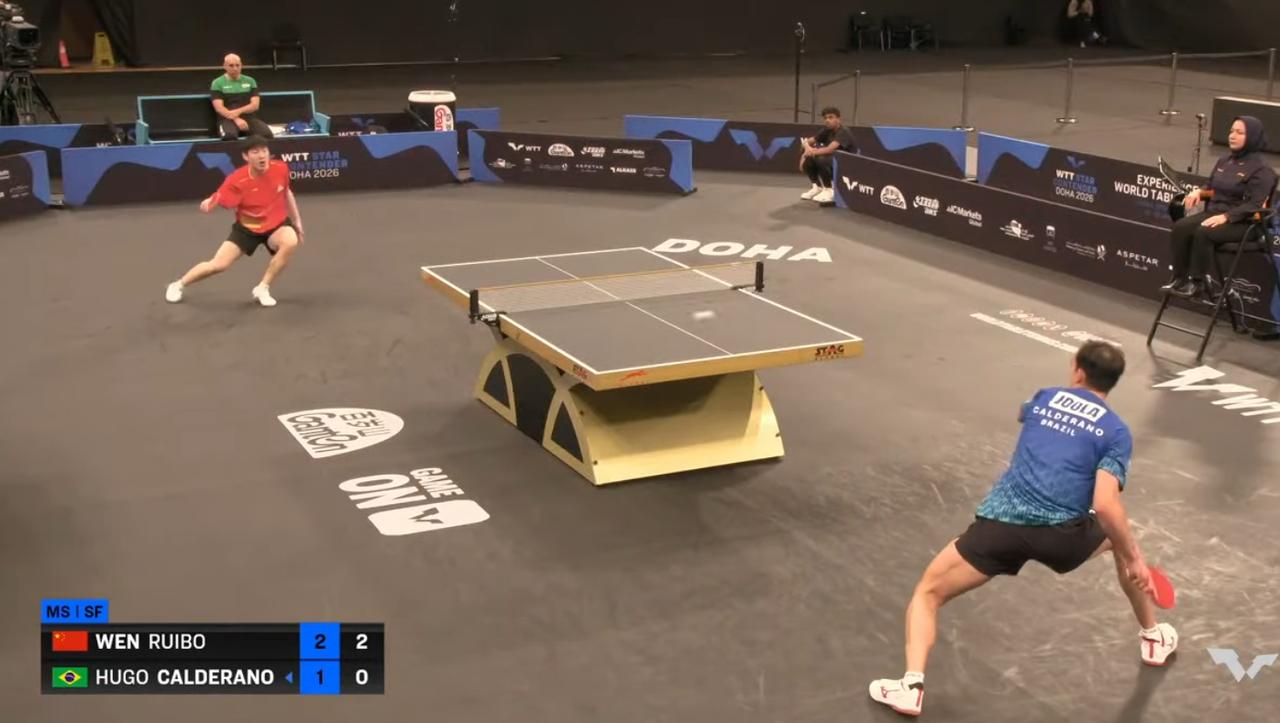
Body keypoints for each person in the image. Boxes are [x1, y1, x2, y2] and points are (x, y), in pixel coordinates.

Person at [869, 341, 1177, 717]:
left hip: (1002, 528)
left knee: (928, 594)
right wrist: (1135, 557)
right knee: (1119, 540)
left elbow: (1025, 414)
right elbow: (1106, 505)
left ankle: (911, 687)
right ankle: (1153, 636)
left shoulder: (1043, 398)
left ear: (1078, 371)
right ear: (1113, 382)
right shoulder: (1116, 432)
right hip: (1064, 538)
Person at [165, 136, 303, 307]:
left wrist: (297, 220)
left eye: (264, 151)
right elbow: (220, 196)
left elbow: (287, 192)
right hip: (248, 228)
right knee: (218, 265)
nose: (262, 156)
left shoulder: (280, 168)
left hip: (276, 224)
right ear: (246, 156)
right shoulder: (237, 179)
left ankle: (262, 288)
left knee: (290, 241)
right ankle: (178, 284)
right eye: (255, 152)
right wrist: (211, 202)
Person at [1163, 116, 1277, 300]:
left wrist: (1226, 217)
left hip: (1244, 223)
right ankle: (1179, 279)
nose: (1233, 136)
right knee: (1181, 227)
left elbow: (1255, 204)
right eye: (1232, 131)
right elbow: (1212, 189)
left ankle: (1197, 283)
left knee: (1204, 232)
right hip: (1215, 213)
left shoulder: (1262, 170)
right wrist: (1199, 192)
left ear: (1252, 137)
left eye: (1240, 133)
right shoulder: (1224, 161)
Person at [799, 106, 857, 204]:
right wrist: (805, 152)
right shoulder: (826, 130)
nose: (827, 120)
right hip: (834, 161)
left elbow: (830, 149)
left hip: (849, 164)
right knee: (810, 159)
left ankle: (829, 190)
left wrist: (810, 152)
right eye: (825, 118)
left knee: (821, 158)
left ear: (838, 119)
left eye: (831, 117)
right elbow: (808, 142)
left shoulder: (843, 131)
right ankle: (817, 187)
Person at [211, 53, 273, 141]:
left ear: (241, 65)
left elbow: (255, 105)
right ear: (224, 66)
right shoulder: (217, 83)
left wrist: (238, 112)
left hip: (248, 117)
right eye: (231, 65)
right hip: (226, 118)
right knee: (229, 136)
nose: (235, 68)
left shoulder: (250, 81)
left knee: (266, 134)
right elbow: (219, 108)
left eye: (237, 65)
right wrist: (236, 119)